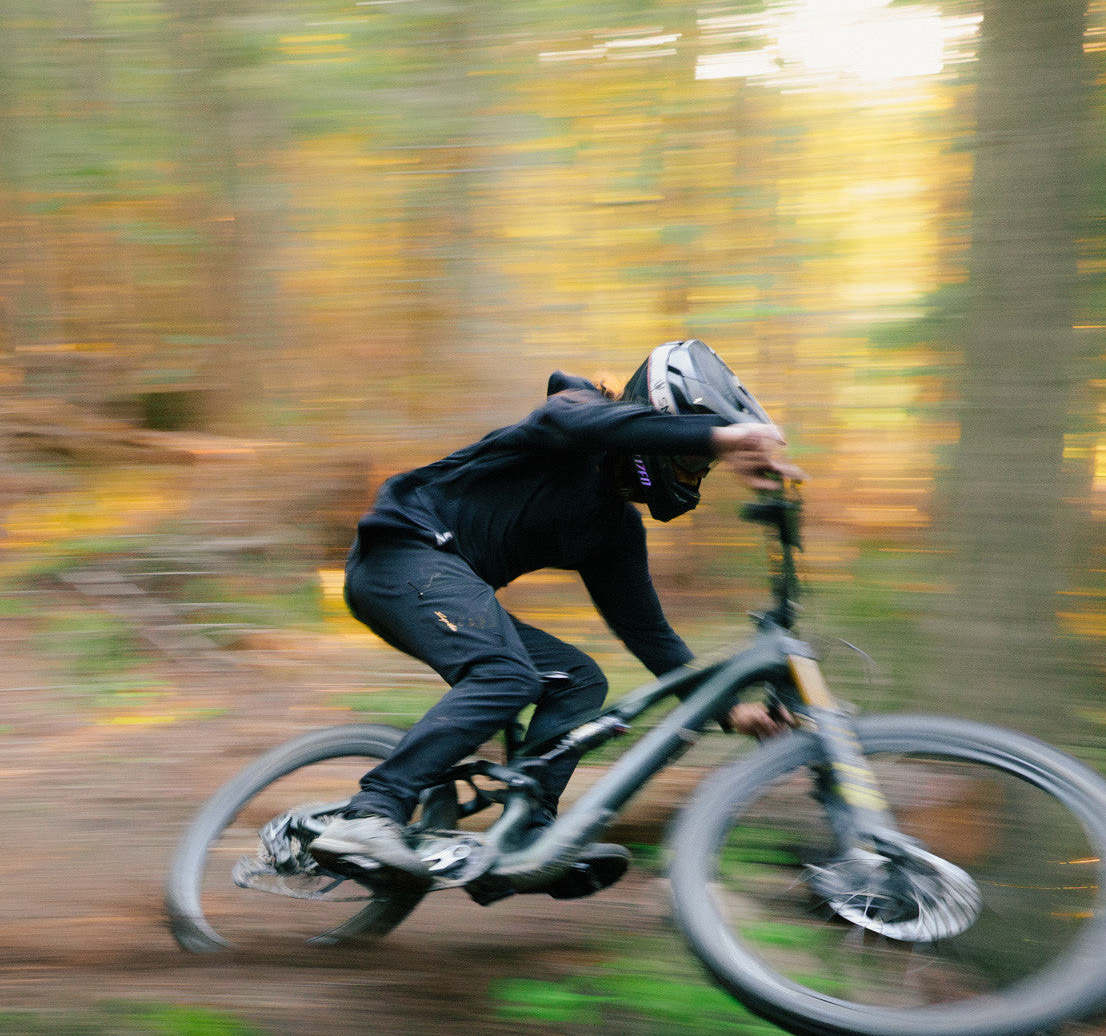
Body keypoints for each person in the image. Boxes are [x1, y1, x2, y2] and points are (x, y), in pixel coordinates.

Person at [311, 340, 801, 898]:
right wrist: (724, 436)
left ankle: (525, 836)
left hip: (442, 584)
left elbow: (650, 636)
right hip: (400, 556)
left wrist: (729, 711)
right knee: (506, 675)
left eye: (702, 467)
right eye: (691, 457)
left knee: (577, 681)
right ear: (660, 421)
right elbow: (588, 424)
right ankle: (370, 813)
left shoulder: (613, 531)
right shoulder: (573, 417)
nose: (695, 472)